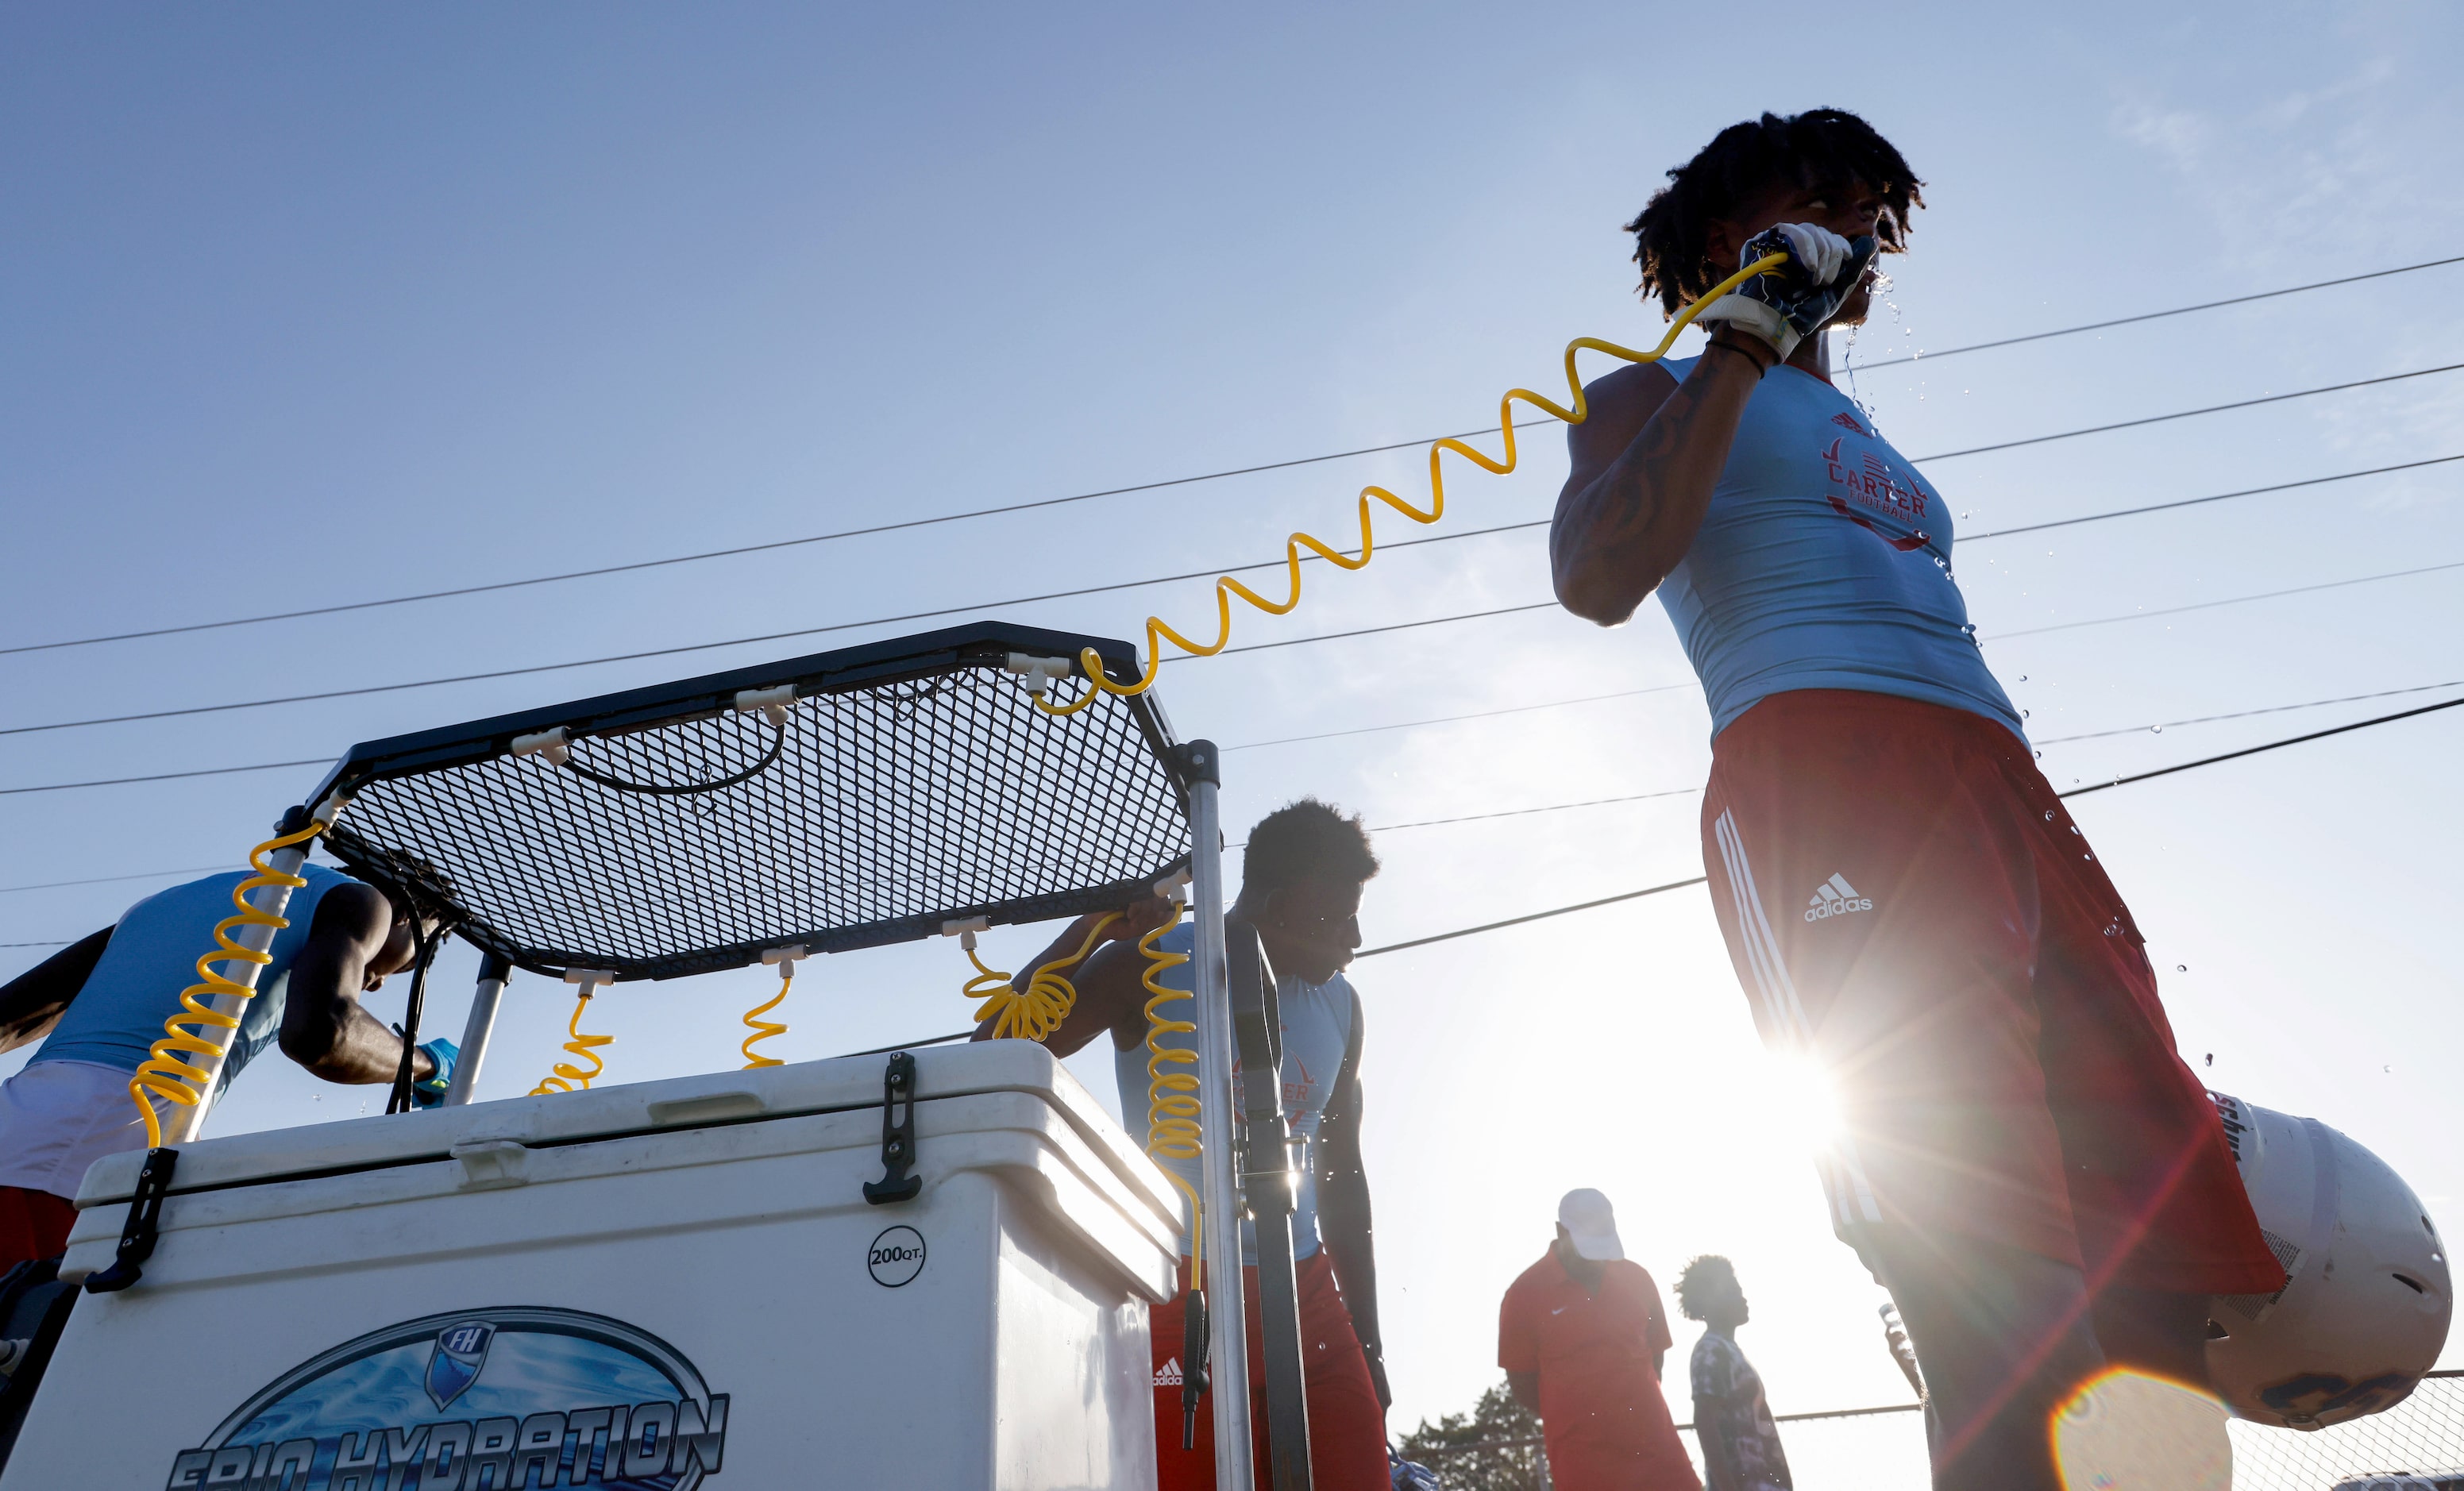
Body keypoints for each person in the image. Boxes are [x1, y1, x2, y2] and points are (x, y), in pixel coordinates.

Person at [1547, 109, 2286, 1489]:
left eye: (1872, 204)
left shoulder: (1861, 422)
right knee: (1987, 1265)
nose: (1858, 218)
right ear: (1724, 231)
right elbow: (1596, 575)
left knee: (2149, 1252)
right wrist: (1740, 337)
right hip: (1822, 772)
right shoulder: (1648, 395)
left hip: (2000, 788)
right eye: (1819, 191)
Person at [974, 798, 1390, 1491]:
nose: (1354, 936)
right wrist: (1091, 933)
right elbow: (989, 1057)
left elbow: (1344, 1173)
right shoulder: (1149, 966)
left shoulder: (1341, 1004)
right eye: (1339, 913)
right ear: (1281, 904)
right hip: (1182, 1290)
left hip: (1308, 1291)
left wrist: (1368, 1340)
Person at [0, 862, 457, 1268]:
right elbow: (324, 1034)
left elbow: (10, 1019)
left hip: (23, 1122)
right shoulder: (364, 902)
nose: (378, 985)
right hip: (90, 1151)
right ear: (405, 917)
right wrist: (424, 1064)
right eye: (407, 964)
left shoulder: (168, 903)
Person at [1498, 1189, 1699, 1491]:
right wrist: (1580, 1415)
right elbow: (1522, 1383)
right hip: (1584, 1468)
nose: (1595, 1259)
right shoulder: (1523, 1295)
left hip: (1660, 1456)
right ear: (1560, 1231)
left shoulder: (1638, 1278)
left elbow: (1655, 1358)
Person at [1676, 1257, 1790, 1491]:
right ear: (1710, 1301)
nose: (1743, 1299)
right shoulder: (1711, 1351)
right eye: (1733, 1292)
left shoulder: (1728, 1350)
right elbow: (1705, 1420)